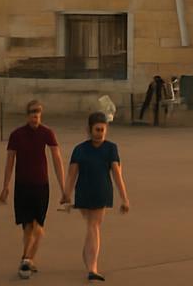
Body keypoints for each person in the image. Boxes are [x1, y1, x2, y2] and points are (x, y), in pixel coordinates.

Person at [0, 99, 67, 280]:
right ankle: (27, 259)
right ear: (27, 115)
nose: (35, 118)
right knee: (28, 227)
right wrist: (5, 186)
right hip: (22, 187)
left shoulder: (47, 133)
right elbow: (10, 161)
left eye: (37, 115)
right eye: (32, 114)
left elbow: (57, 159)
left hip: (41, 187)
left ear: (40, 116)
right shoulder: (17, 135)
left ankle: (26, 258)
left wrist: (64, 189)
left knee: (37, 226)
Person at [63, 111, 130, 283]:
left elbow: (117, 174)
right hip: (84, 192)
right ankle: (91, 265)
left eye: (102, 130)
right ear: (89, 129)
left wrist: (125, 198)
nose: (99, 133)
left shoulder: (111, 148)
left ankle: (90, 263)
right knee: (93, 227)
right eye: (97, 130)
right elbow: (72, 174)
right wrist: (66, 195)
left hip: (102, 192)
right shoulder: (80, 149)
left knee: (93, 227)